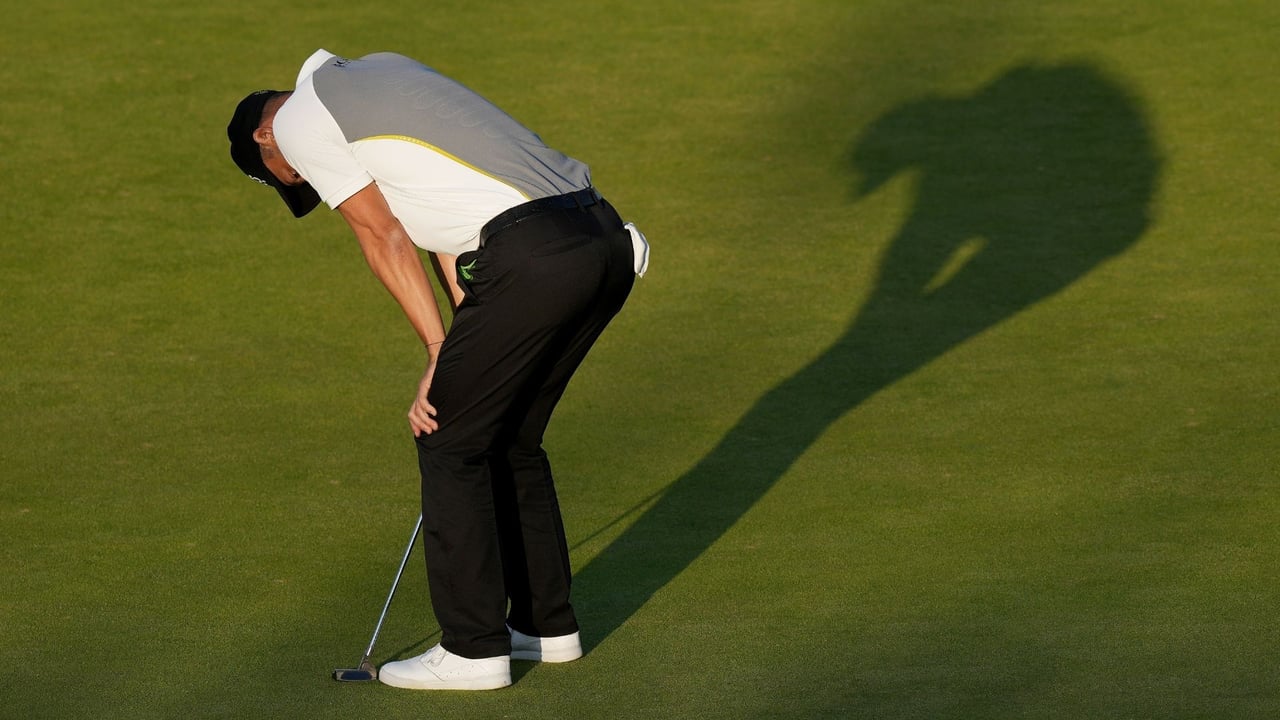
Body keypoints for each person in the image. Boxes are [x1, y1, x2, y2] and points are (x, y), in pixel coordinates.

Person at [226, 49, 647, 691]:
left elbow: (384, 236)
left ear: (265, 136)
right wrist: (458, 348)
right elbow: (449, 236)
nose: (300, 179)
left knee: (448, 442)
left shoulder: (297, 125)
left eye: (283, 175)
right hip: (601, 239)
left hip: (531, 256)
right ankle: (544, 628)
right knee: (507, 435)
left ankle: (473, 651)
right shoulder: (377, 72)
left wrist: (436, 355)